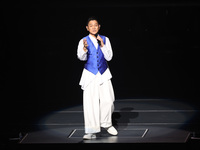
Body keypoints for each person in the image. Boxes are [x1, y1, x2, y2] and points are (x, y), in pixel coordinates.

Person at [77, 17, 118, 140]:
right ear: (87, 28)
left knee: (109, 99)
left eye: (96, 25)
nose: (93, 27)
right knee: (91, 102)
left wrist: (102, 44)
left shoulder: (105, 39)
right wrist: (84, 48)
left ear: (99, 26)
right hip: (90, 74)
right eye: (91, 25)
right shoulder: (83, 40)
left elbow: (109, 57)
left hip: (104, 73)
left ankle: (106, 124)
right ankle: (91, 130)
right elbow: (81, 57)